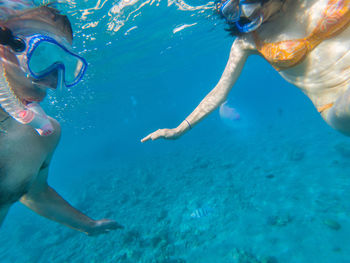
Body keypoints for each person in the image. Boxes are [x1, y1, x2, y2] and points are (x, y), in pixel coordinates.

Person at [141, 0, 350, 142]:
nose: (246, 15)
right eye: (233, 10)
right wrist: (178, 130)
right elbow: (218, 93)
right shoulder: (248, 41)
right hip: (337, 106)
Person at [0, 3, 123, 235]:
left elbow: (35, 193)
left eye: (64, 64)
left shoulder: (46, 136)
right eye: (44, 56)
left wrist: (88, 225)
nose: (53, 83)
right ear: (4, 50)